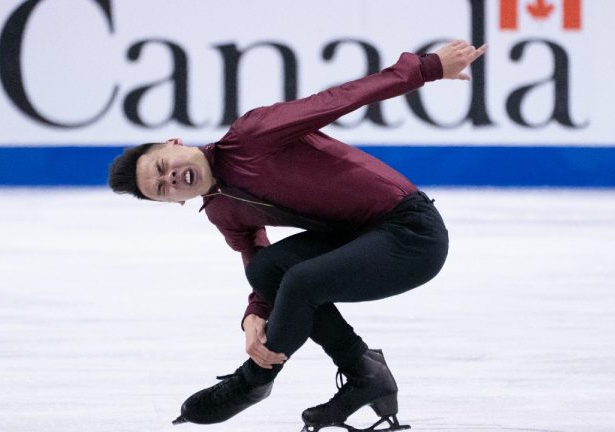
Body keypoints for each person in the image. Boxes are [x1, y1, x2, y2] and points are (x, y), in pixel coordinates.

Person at [108, 40, 486, 432]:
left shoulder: (253, 135)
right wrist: (255, 313)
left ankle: (254, 379)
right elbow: (257, 256)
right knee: (268, 270)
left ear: (174, 144)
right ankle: (364, 373)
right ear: (173, 203)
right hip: (359, 237)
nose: (169, 179)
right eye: (161, 188)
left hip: (411, 234)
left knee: (301, 282)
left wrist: (424, 68)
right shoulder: (221, 210)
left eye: (163, 167)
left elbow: (339, 99)